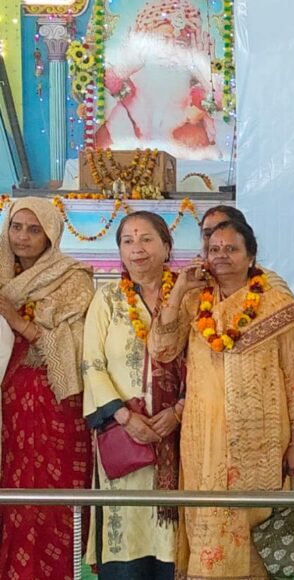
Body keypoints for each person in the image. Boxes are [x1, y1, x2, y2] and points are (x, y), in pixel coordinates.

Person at [151, 219, 294, 578]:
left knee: (257, 534)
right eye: (214, 249)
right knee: (208, 532)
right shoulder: (195, 303)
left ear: (251, 256)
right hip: (205, 442)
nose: (222, 256)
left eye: (231, 249)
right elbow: (162, 349)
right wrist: (179, 289)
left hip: (263, 441)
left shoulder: (277, 305)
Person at [83, 212, 184, 579]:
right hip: (123, 437)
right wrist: (126, 418)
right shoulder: (107, 299)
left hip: (180, 437)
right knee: (125, 541)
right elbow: (91, 364)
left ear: (167, 246)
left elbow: (205, 365)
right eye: (127, 240)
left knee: (174, 545)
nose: (137, 248)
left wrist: (178, 412)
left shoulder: (190, 299)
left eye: (146, 239)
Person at [0, 198, 95, 579]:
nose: (22, 237)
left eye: (34, 228)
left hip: (58, 403)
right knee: (11, 494)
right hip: (9, 405)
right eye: (17, 226)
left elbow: (74, 345)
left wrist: (14, 318)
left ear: (51, 234)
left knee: (53, 496)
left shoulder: (72, 278)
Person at [95, 0, 224, 159]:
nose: (170, 51)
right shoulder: (126, 84)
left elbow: (221, 107)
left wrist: (204, 71)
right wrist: (124, 69)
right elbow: (102, 95)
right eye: (163, 40)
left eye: (180, 44)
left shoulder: (194, 92)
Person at [199, 205, 293, 296]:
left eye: (223, 228)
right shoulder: (196, 284)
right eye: (207, 234)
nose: (215, 236)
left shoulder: (273, 289)